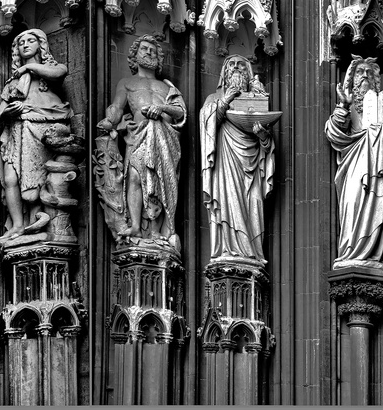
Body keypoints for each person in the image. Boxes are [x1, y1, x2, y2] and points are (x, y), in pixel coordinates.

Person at [95, 35, 187, 249]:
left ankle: (156, 231)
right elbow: (118, 107)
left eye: (153, 50)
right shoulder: (127, 83)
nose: (148, 52)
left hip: (164, 138)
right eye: (143, 49)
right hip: (138, 135)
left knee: (158, 181)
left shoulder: (166, 87)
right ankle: (136, 226)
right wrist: (112, 118)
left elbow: (180, 112)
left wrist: (162, 109)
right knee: (136, 177)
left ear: (159, 58)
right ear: (134, 56)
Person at [328, 58, 383, 272]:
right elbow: (334, 133)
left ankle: (371, 252)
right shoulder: (347, 107)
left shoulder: (381, 108)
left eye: (369, 73)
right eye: (359, 72)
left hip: (378, 166)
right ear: (351, 80)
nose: (364, 76)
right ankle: (352, 251)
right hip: (354, 165)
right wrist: (343, 105)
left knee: (376, 204)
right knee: (353, 203)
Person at [0, 29, 73, 240]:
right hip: (16, 131)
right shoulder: (12, 83)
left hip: (42, 130)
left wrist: (28, 68)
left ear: (41, 44)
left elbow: (60, 73)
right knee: (10, 178)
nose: (25, 45)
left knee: (38, 180)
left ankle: (39, 221)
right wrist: (8, 112)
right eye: (21, 43)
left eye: (31, 41)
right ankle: (18, 226)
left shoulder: (50, 71)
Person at [199, 55, 275, 266]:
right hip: (225, 163)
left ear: (248, 74)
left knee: (253, 205)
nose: (236, 68)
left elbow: (267, 149)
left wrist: (262, 137)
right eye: (231, 65)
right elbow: (206, 126)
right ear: (224, 73)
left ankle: (251, 252)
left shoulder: (255, 100)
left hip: (251, 167)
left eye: (241, 65)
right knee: (226, 203)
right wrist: (224, 101)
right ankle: (228, 250)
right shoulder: (213, 98)